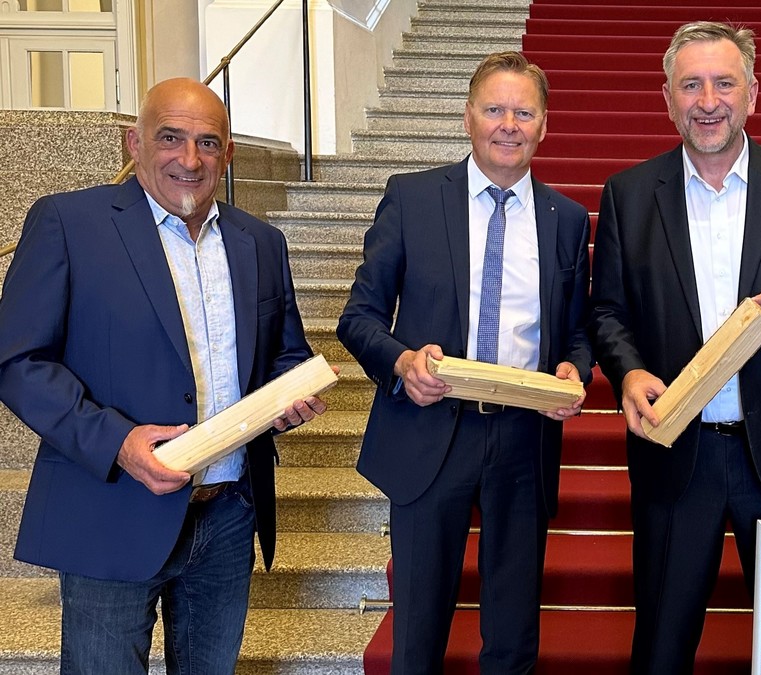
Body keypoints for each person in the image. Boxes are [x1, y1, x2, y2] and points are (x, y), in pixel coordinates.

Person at [0, 78, 328, 674]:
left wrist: (290, 396)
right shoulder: (69, 224)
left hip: (228, 514)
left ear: (228, 153)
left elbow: (285, 355)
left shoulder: (262, 242)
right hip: (112, 508)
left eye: (208, 142)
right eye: (170, 138)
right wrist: (119, 443)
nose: (189, 159)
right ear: (135, 142)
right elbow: (18, 362)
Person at [587, 21, 761, 673]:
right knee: (661, 643)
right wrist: (627, 375)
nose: (707, 99)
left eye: (723, 82)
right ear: (667, 98)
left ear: (752, 94)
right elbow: (608, 312)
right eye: (691, 84)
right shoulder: (628, 195)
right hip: (676, 452)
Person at [337, 51, 591, 674]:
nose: (509, 124)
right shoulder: (413, 197)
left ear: (544, 125)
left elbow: (578, 332)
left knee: (512, 631)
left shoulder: (568, 218)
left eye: (524, 112)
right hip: (430, 430)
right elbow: (358, 318)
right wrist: (401, 363)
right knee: (419, 628)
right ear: (467, 116)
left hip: (522, 439)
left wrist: (574, 369)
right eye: (494, 109)